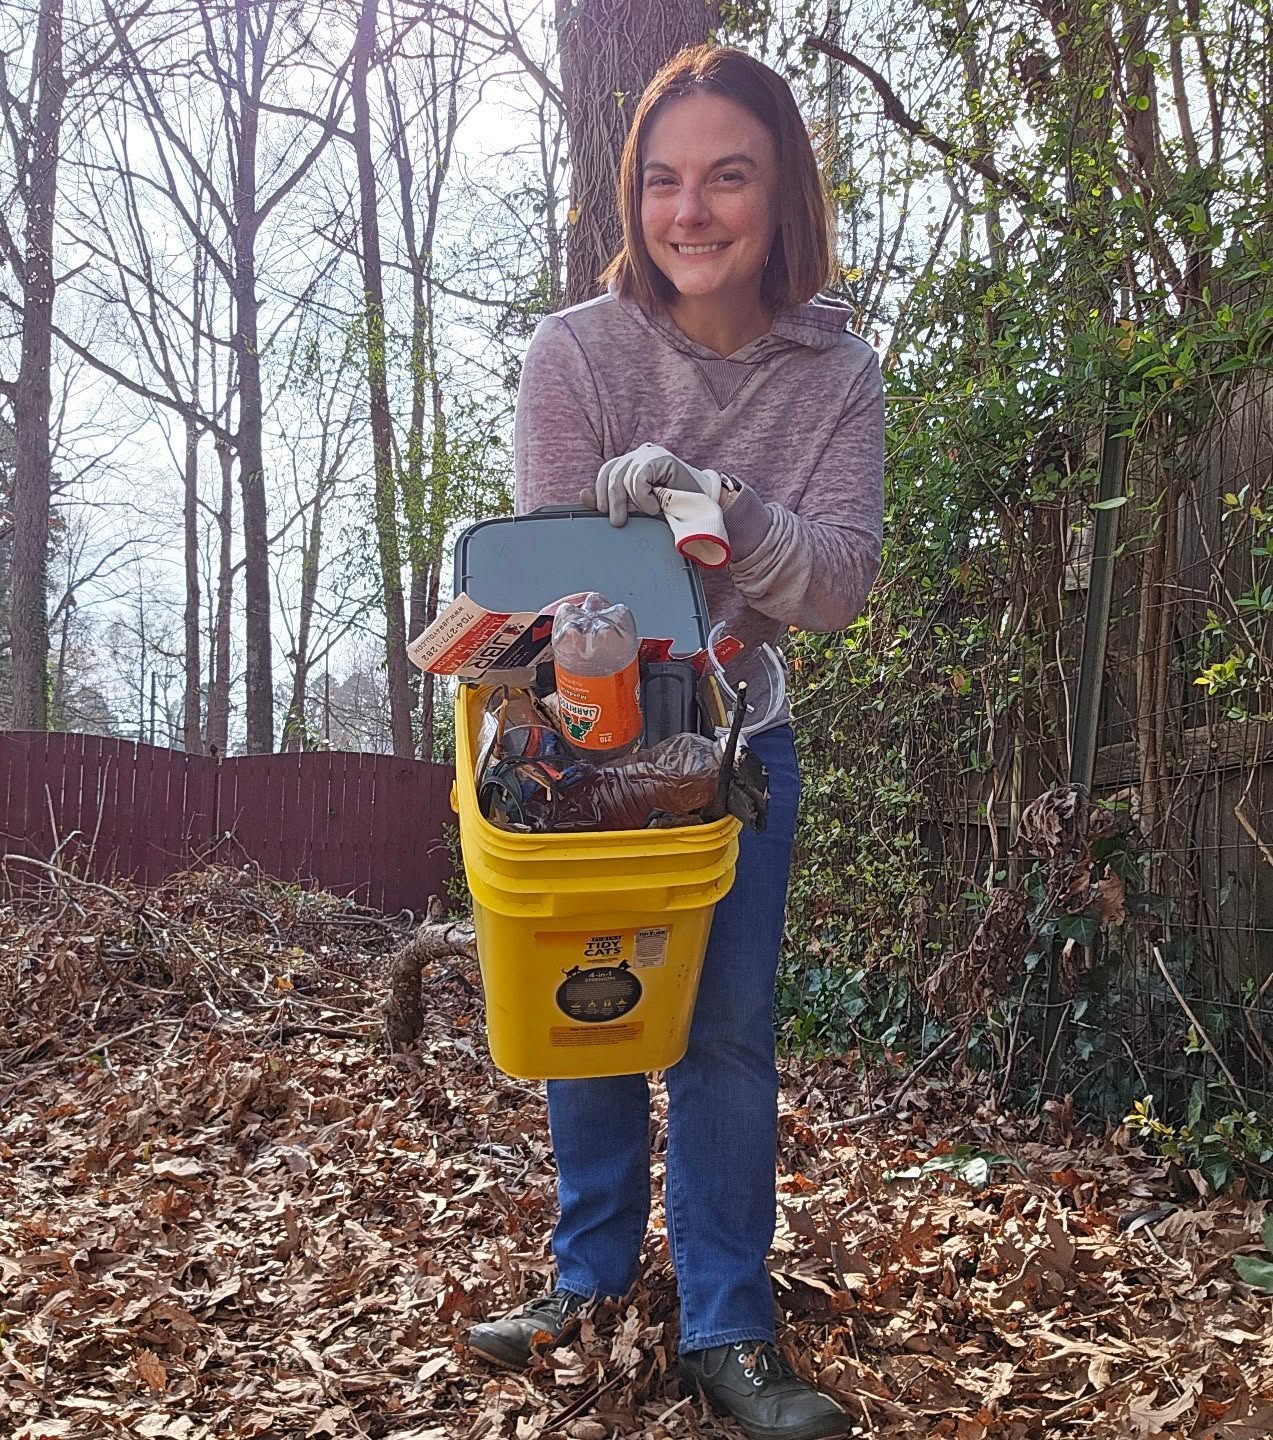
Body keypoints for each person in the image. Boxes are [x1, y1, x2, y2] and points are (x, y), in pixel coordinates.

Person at [469, 43, 883, 1440]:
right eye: (662, 180)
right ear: (629, 198)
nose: (690, 211)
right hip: (587, 754)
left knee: (720, 1038)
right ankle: (582, 1279)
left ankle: (726, 1323)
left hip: (740, 755)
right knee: (591, 1010)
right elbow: (559, 591)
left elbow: (828, 585)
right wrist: (636, 558)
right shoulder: (575, 351)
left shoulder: (833, 373)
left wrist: (721, 506)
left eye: (727, 177)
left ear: (782, 199)